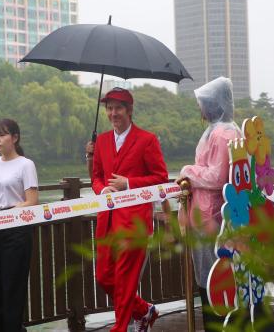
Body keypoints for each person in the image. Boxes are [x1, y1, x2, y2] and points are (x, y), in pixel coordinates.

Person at [88, 87, 169, 332]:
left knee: (124, 279)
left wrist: (129, 184)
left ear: (129, 110)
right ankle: (144, 311)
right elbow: (96, 177)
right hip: (107, 220)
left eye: (119, 108)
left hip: (135, 222)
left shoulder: (147, 140)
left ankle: (120, 328)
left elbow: (161, 177)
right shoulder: (101, 141)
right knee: (104, 277)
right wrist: (103, 190)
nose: (114, 113)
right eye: (110, 108)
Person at [176, 77, 241, 331]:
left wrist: (188, 171)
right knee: (214, 278)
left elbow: (217, 176)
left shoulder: (223, 134)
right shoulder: (221, 130)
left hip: (212, 217)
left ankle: (216, 326)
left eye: (203, 103)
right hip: (209, 214)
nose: (200, 108)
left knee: (212, 279)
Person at [0, 118, 38, 332]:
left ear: (15, 137)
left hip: (16, 230)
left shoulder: (25, 164)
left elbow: (31, 201)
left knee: (12, 285)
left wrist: (8, 215)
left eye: (2, 135)